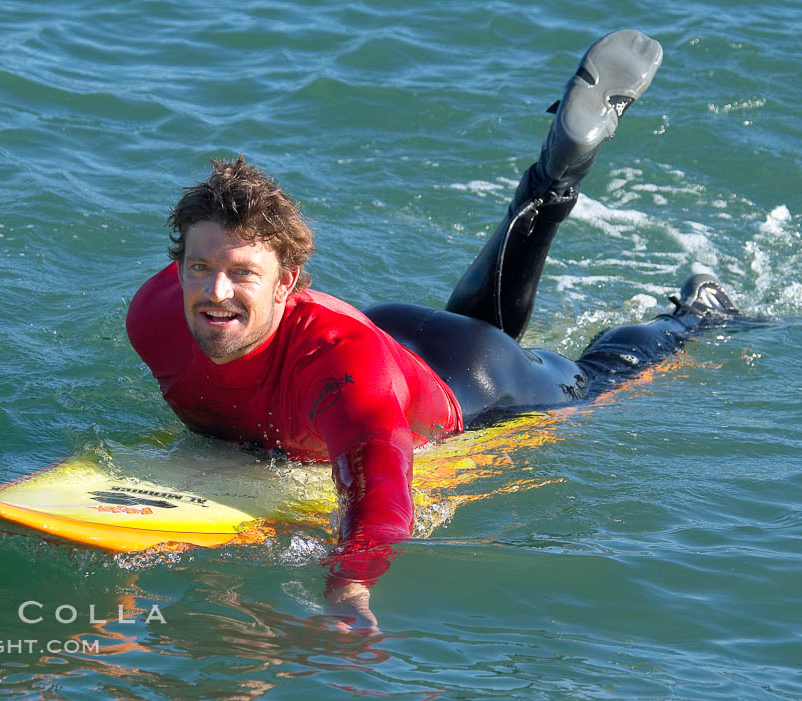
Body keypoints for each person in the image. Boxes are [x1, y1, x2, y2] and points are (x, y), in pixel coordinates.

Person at [125, 30, 741, 632]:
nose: (215, 292)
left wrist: (349, 583)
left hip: (475, 378)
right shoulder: (155, 316)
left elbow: (383, 493)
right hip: (388, 336)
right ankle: (557, 170)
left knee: (595, 384)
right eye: (199, 268)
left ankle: (695, 314)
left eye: (242, 273)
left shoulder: (344, 379)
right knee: (479, 317)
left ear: (289, 283)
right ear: (176, 268)